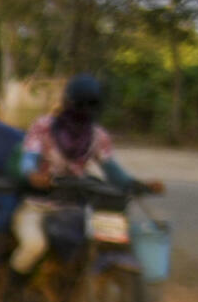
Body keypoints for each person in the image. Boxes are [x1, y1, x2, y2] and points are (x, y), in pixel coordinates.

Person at [9, 75, 163, 273]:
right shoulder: (44, 127)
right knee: (34, 245)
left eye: (91, 105)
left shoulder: (97, 136)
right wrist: (33, 175)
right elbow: (28, 158)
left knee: (102, 238)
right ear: (67, 103)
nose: (84, 111)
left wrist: (142, 185)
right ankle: (10, 292)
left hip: (76, 206)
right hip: (38, 204)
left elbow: (113, 172)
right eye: (80, 104)